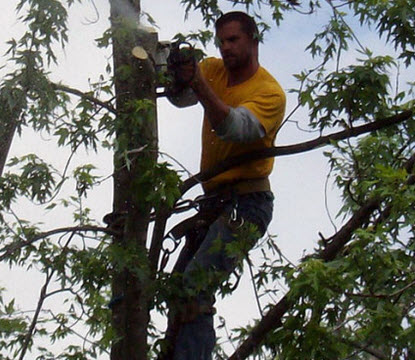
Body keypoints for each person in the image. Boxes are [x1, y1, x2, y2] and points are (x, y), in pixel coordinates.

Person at [161, 11, 286, 360]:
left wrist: (197, 83)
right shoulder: (214, 70)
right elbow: (180, 97)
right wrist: (179, 73)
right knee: (178, 289)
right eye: (221, 41)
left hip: (247, 204)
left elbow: (234, 128)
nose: (226, 48)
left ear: (252, 40)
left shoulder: (269, 92)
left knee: (195, 287)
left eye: (233, 40)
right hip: (214, 204)